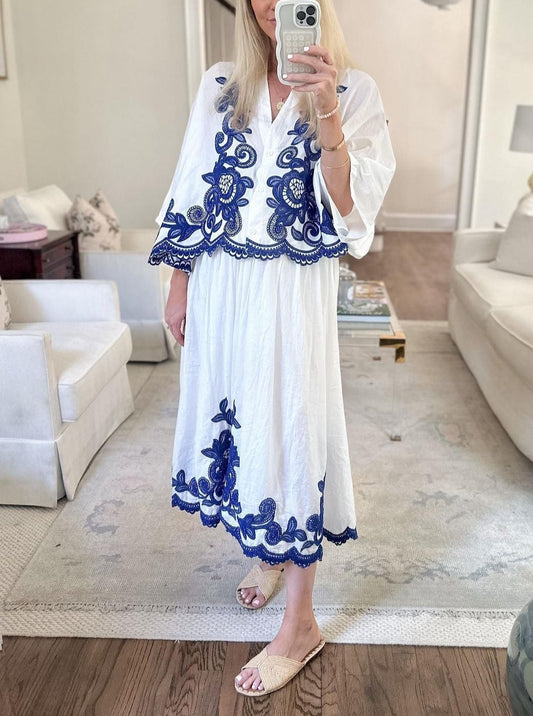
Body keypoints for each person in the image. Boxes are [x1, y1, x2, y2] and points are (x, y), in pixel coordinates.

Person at [148, 0, 395, 697]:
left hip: (291, 294)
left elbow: (351, 212)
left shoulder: (355, 90)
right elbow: (192, 184)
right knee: (240, 426)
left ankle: (301, 624)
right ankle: (269, 551)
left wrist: (327, 111)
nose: (269, 4)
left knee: (292, 431)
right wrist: (179, 284)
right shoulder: (221, 84)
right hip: (221, 287)